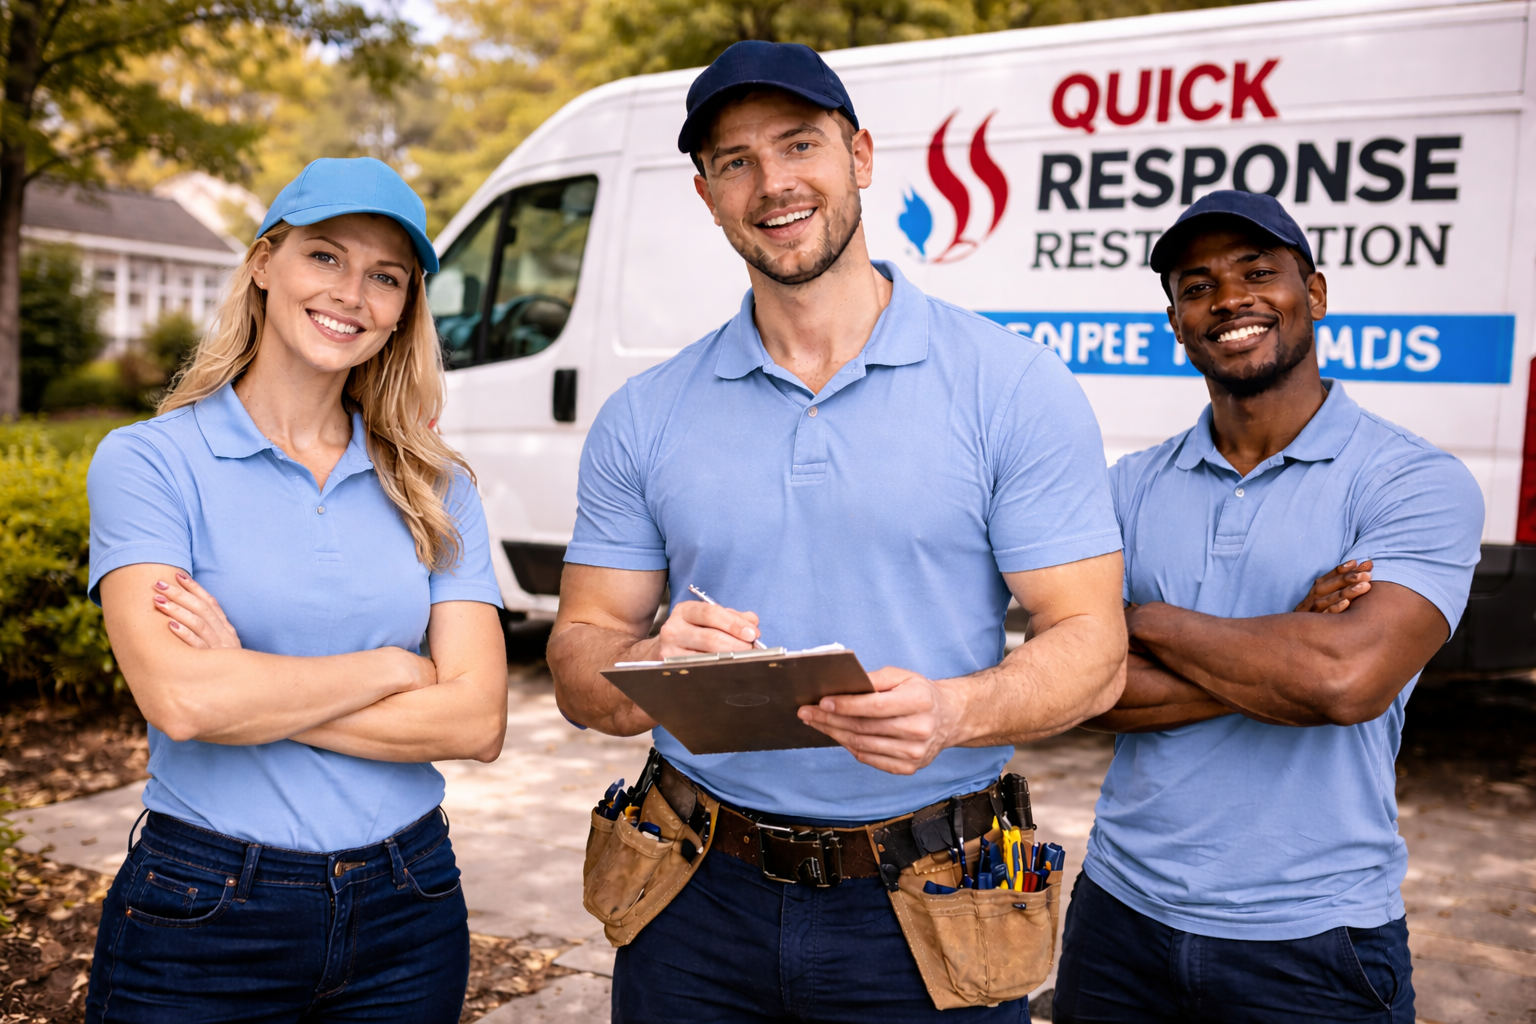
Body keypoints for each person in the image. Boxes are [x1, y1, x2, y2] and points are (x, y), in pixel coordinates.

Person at [546, 41, 1127, 1023]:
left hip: (934, 900)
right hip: (691, 896)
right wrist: (646, 658)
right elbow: (574, 660)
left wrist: (958, 709)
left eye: (800, 143)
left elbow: (1095, 647)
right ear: (707, 194)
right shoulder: (645, 413)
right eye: (735, 160)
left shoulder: (1011, 386)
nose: (773, 183)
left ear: (860, 154)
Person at [83, 157, 508, 1023]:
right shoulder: (150, 463)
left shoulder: (435, 485)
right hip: (205, 909)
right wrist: (395, 664)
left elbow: (476, 720)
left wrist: (251, 680)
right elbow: (185, 701)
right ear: (263, 265)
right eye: (326, 256)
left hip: (410, 904)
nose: (353, 293)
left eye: (385, 276)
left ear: (403, 312)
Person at [1052, 190, 1483, 1024]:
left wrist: (1148, 623)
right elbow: (1077, 687)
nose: (1230, 300)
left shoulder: (1414, 481)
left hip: (1315, 941)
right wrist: (1292, 637)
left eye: (1257, 273)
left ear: (1312, 294)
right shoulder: (1126, 490)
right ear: (1176, 322)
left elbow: (1345, 683)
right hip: (1119, 922)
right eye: (1198, 285)